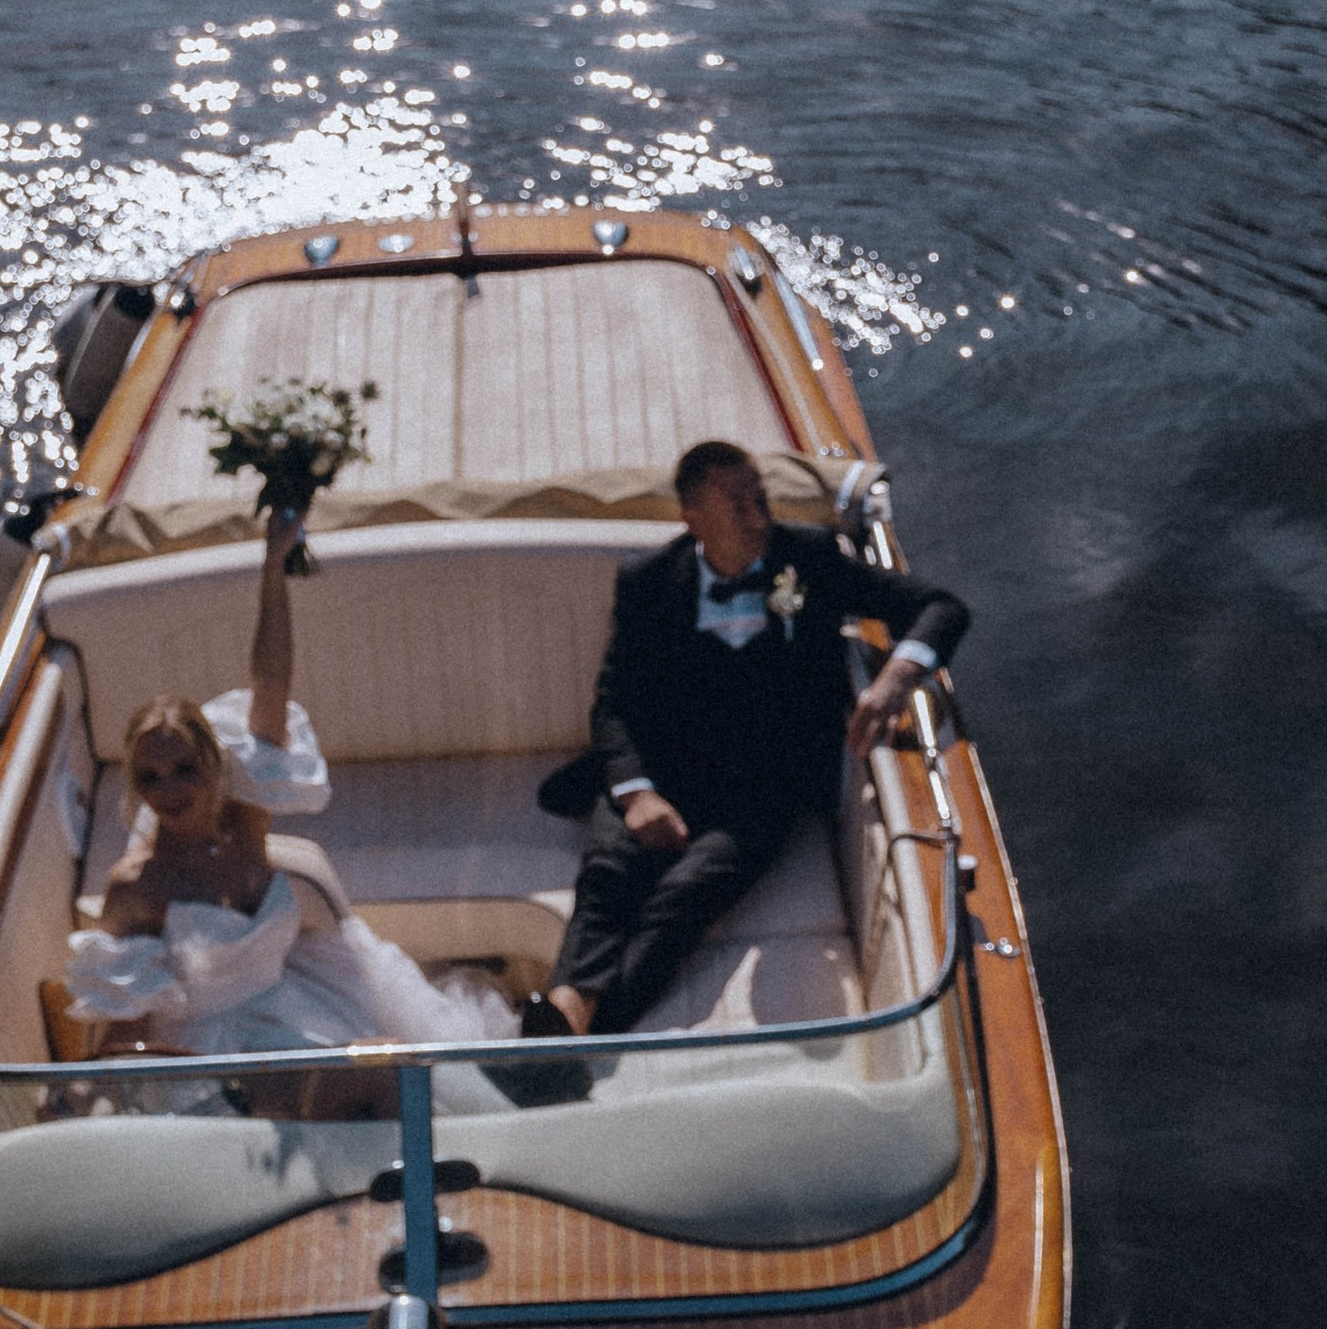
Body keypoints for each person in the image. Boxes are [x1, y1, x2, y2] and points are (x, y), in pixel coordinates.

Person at [528, 437, 969, 1042]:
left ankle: (567, 1036)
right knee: (608, 875)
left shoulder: (808, 559)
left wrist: (896, 677)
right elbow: (615, 702)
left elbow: (942, 607)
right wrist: (636, 794)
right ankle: (565, 1017)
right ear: (693, 519)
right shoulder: (648, 581)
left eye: (760, 497)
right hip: (662, 769)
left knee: (682, 899)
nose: (759, 516)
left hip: (764, 787)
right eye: (738, 504)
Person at [62, 508, 518, 1076]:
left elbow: (272, 681)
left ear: (213, 762)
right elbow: (125, 1027)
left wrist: (273, 567)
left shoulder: (244, 820)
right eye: (150, 778)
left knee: (405, 1071)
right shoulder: (136, 884)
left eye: (183, 769)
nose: (169, 791)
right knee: (363, 1087)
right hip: (215, 1055)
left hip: (301, 1008)